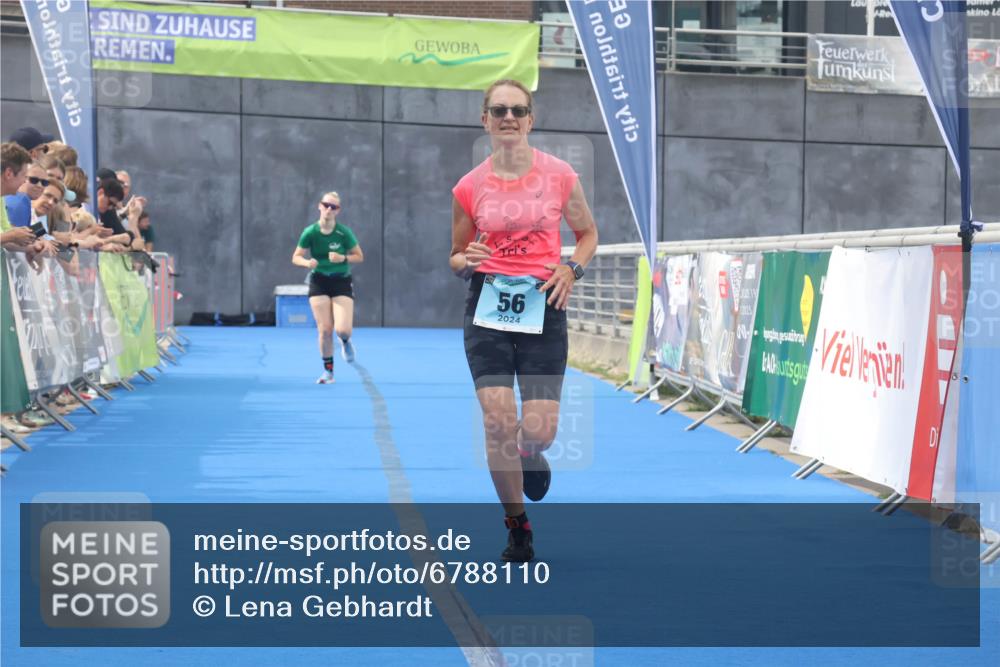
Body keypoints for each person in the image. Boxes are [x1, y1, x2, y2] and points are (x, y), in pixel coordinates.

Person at [450, 79, 598, 562]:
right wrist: (465, 258)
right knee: (498, 424)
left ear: (531, 120)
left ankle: (531, 453)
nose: (508, 118)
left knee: (537, 431)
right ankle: (518, 527)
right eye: (499, 110)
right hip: (488, 307)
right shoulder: (469, 186)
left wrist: (571, 268)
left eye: (518, 110)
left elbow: (587, 234)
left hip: (543, 306)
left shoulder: (559, 175)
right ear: (485, 120)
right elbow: (454, 256)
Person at [291, 191, 363, 384]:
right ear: (319, 206)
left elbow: (359, 256)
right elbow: (296, 256)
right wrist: (307, 263)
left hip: (340, 281)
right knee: (324, 329)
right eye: (326, 205)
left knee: (342, 330)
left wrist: (343, 258)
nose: (329, 209)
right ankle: (328, 372)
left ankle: (346, 342)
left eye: (334, 207)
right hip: (318, 281)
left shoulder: (343, 233)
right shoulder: (310, 232)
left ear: (338, 211)